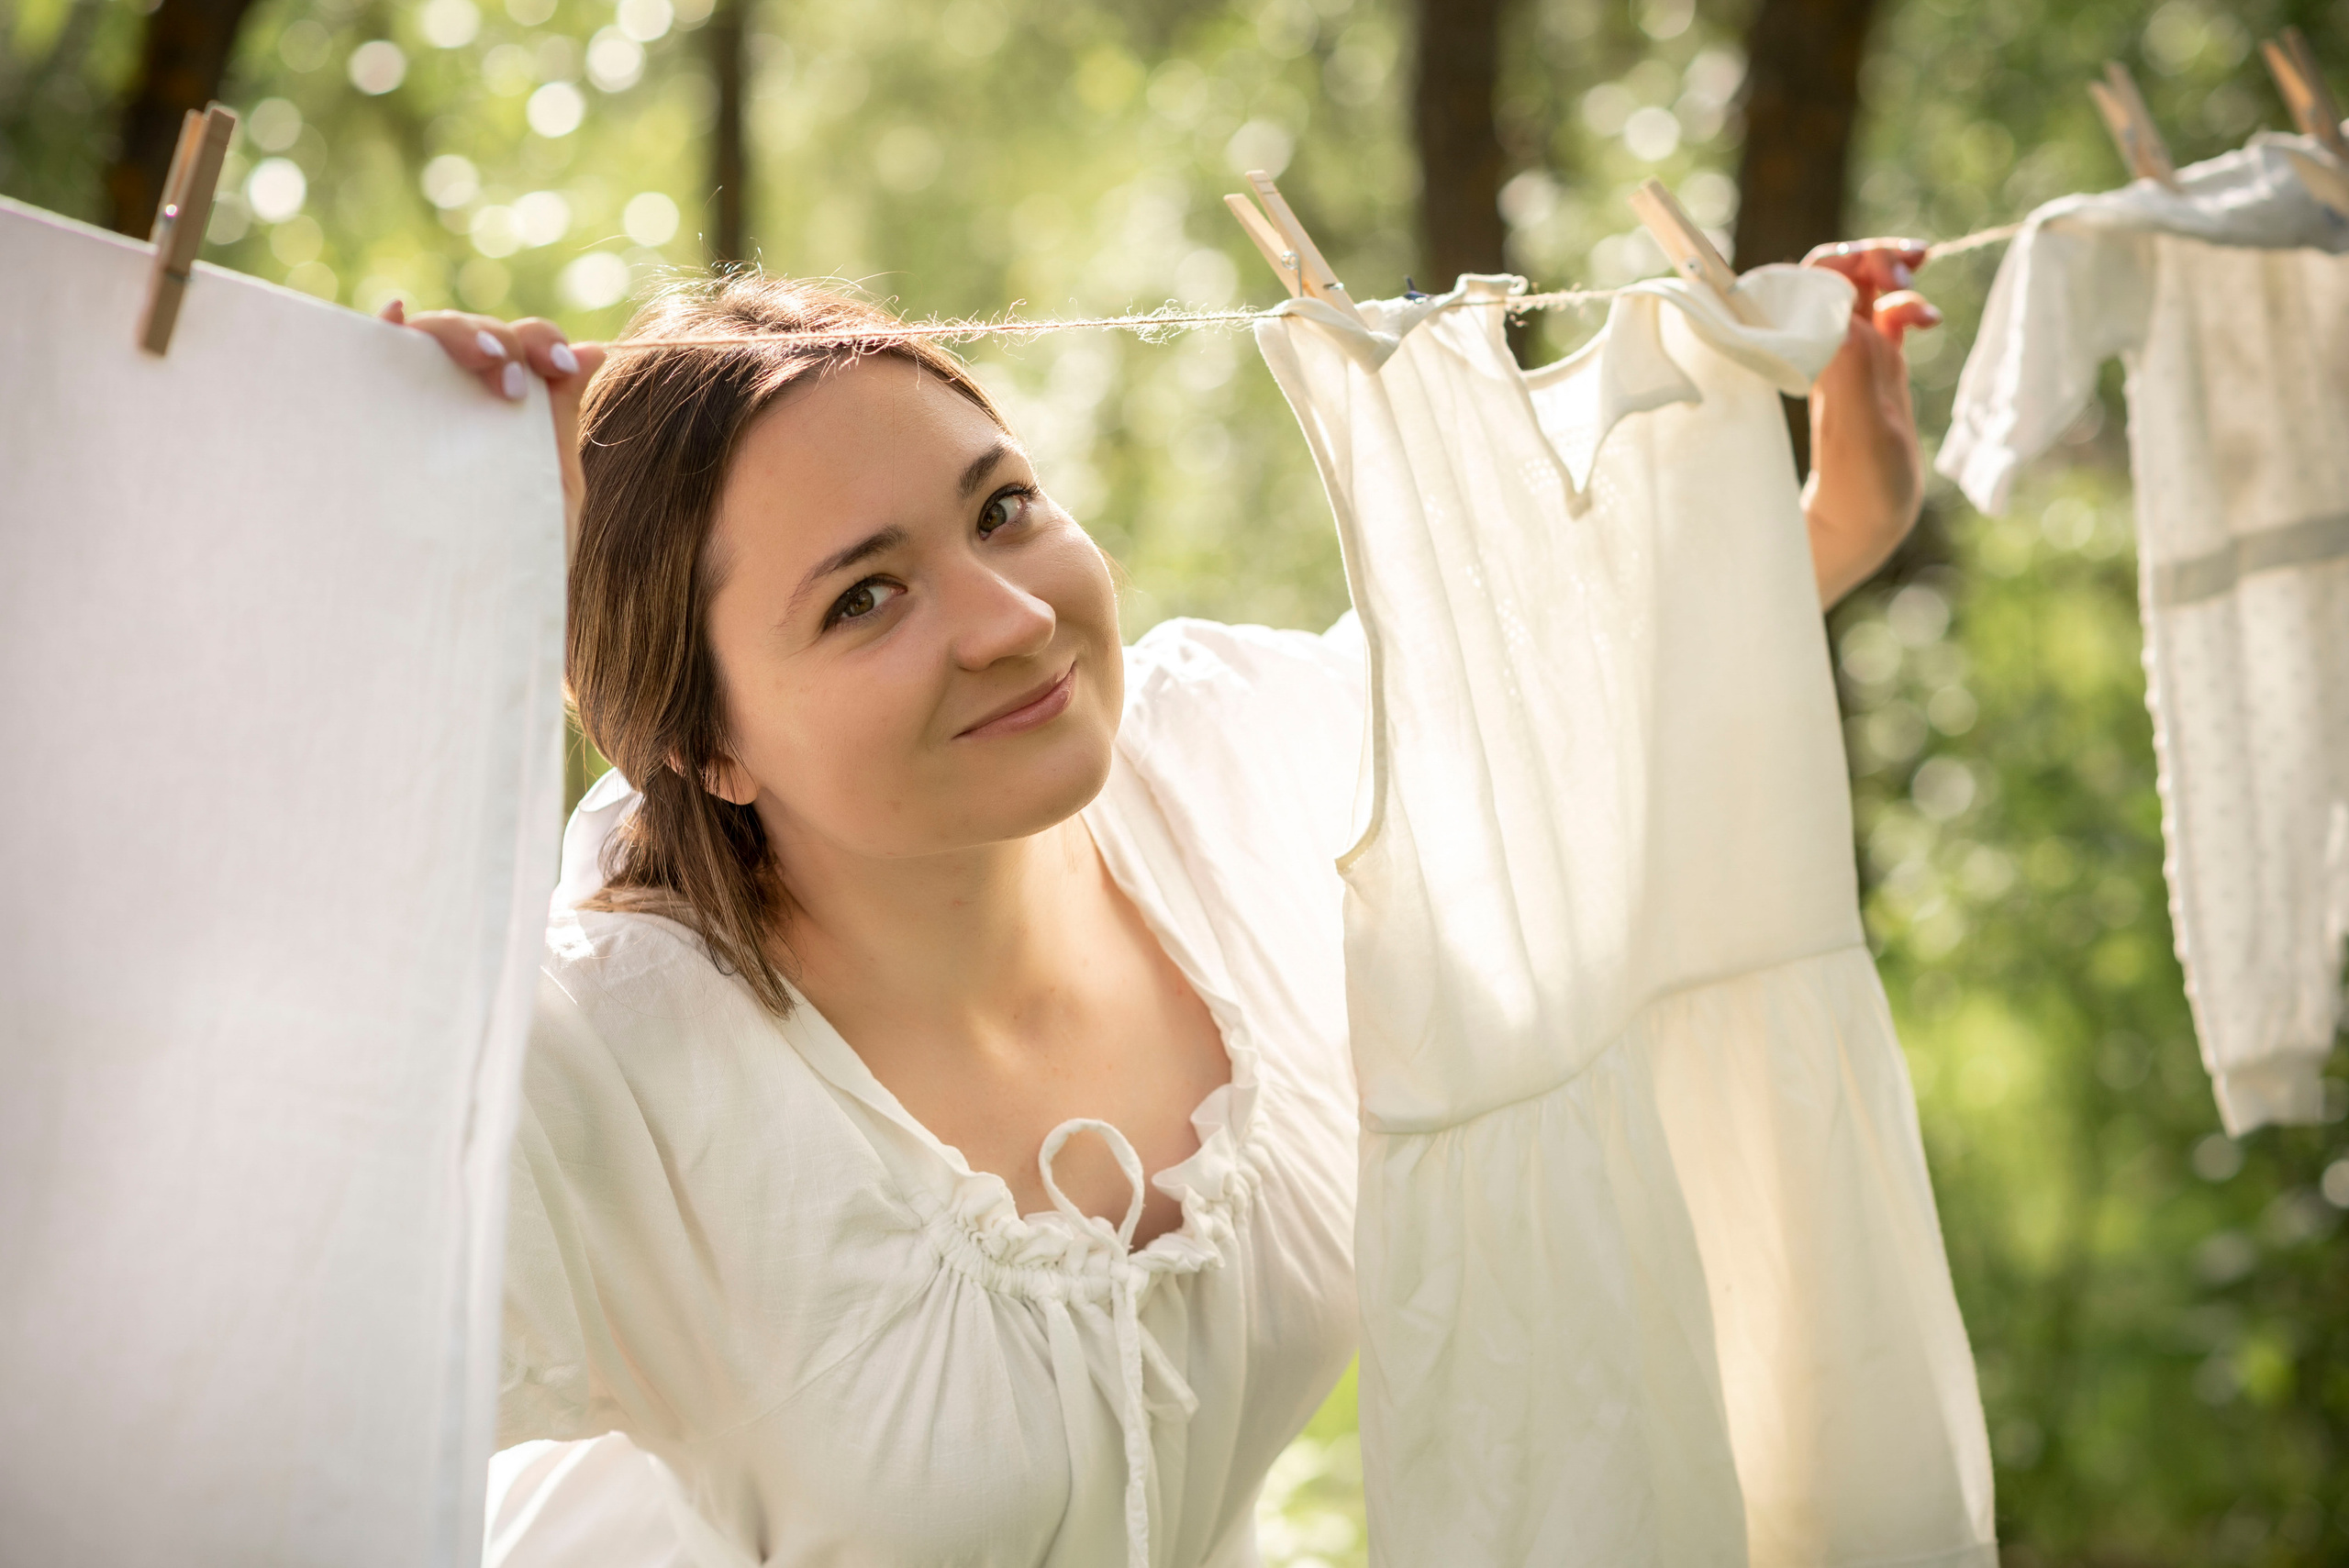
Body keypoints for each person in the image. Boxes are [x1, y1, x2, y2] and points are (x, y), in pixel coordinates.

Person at [387, 239, 1941, 1566]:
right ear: (703, 744)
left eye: (1001, 508)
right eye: (866, 595)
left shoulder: (1221, 772)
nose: (1009, 620)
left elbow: (1540, 693)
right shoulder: (596, 1066)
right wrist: (362, 583)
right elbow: (270, 1273)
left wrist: (1825, 523)